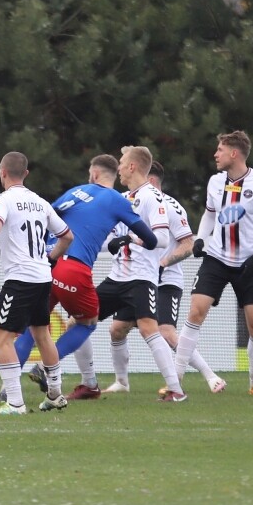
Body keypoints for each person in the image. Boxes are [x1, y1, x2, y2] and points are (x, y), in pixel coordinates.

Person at [19, 154, 157, 400]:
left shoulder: (76, 191)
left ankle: (6, 388)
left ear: (93, 174)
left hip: (44, 263)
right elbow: (152, 239)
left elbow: (45, 217)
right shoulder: (117, 200)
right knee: (87, 322)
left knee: (34, 324)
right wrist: (130, 239)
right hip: (72, 268)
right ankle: (45, 367)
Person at [0, 152, 73, 415]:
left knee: (1, 338)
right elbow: (67, 236)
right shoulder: (40, 202)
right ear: (26, 174)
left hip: (20, 278)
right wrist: (51, 258)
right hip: (43, 276)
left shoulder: (3, 200)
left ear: (2, 173)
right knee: (42, 334)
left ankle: (15, 403)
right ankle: (55, 394)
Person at [176, 131, 253, 396]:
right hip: (216, 259)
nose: (215, 154)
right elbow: (210, 215)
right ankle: (174, 381)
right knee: (195, 312)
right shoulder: (215, 181)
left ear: (234, 153)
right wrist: (201, 238)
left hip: (249, 263)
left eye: (220, 150)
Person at [92, 147, 186, 400]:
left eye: (122, 163)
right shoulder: (122, 198)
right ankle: (88, 383)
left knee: (149, 329)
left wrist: (128, 239)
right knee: (81, 318)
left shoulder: (152, 197)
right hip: (116, 277)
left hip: (142, 277)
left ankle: (176, 390)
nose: (119, 168)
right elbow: (109, 238)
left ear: (132, 167)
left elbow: (162, 239)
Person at [141, 161, 199, 395]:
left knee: (166, 333)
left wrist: (164, 264)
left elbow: (189, 244)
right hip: (142, 278)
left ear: (152, 181)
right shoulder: (136, 202)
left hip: (167, 280)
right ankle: (121, 382)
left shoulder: (171, 206)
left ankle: (210, 376)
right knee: (117, 328)